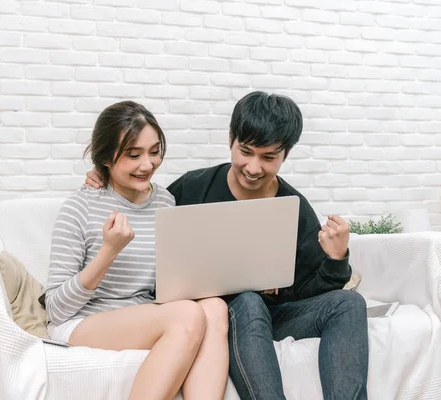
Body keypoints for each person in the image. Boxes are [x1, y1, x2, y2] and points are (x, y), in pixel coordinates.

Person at [85, 91, 369, 400]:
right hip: (224, 317)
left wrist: (337, 258)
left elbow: (309, 290)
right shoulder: (194, 187)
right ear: (230, 139)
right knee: (247, 299)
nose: (253, 167)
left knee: (349, 303)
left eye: (269, 157)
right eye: (245, 151)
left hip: (272, 319)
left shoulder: (294, 206)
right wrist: (106, 178)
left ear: (285, 155)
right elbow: (143, 208)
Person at [46, 100, 229, 400]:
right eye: (134, 155)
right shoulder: (80, 207)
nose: (148, 165)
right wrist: (108, 251)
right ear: (105, 158)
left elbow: (168, 285)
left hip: (144, 314)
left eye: (154, 152)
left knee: (214, 308)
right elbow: (55, 309)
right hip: (82, 322)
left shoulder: (166, 203)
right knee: (187, 315)